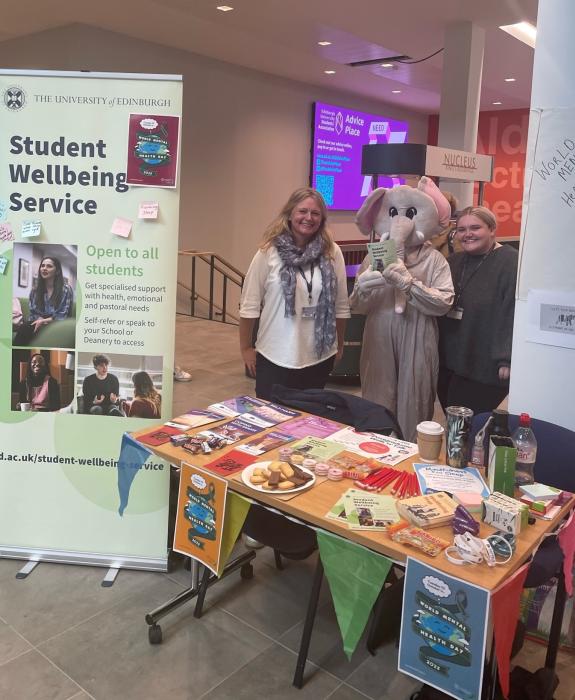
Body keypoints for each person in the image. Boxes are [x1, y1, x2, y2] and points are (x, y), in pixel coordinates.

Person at [239, 187, 350, 400]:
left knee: (307, 423)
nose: (308, 217)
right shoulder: (268, 252)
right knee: (271, 424)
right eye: (302, 211)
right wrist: (246, 348)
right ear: (290, 214)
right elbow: (249, 304)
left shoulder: (332, 252)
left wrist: (340, 344)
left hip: (318, 356)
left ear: (322, 218)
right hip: (274, 356)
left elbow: (341, 305)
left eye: (315, 213)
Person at [438, 205, 519, 414]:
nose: (468, 234)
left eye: (475, 228)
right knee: (455, 425)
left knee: (476, 430)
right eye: (462, 230)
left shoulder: (510, 262)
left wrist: (506, 358)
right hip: (450, 361)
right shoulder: (454, 262)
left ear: (492, 229)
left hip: (484, 366)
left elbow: (511, 312)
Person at [13, 256, 73, 345]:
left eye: (49, 266)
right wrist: (39, 318)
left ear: (57, 271)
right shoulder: (35, 290)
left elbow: (61, 315)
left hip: (57, 324)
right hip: (39, 322)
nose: (44, 268)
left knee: (28, 329)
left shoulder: (65, 289)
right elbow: (33, 312)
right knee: (25, 327)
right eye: (43, 266)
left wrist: (43, 321)